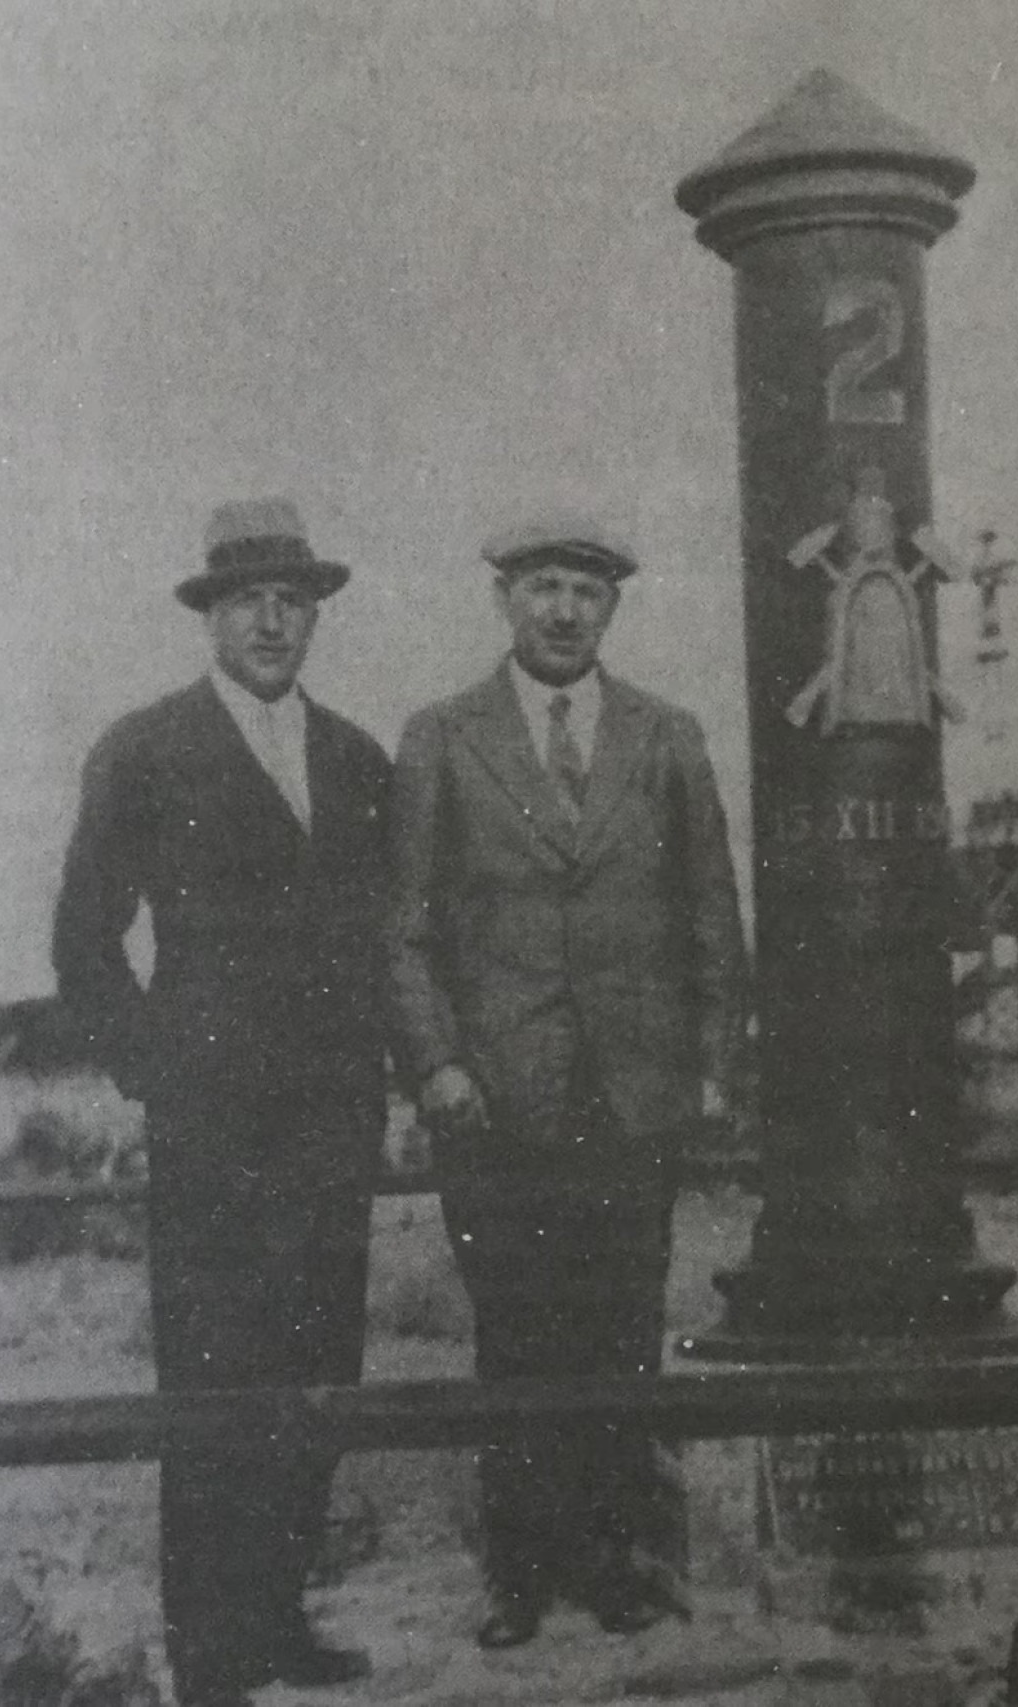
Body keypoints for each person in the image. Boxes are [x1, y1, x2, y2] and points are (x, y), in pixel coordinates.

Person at [53, 498, 390, 1707]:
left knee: (315, 1372)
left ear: (315, 616)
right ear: (211, 615)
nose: (270, 620)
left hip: (331, 1132)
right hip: (208, 1136)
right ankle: (208, 1651)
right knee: (210, 1381)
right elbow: (85, 945)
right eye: (246, 599)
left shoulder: (356, 759)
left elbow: (386, 939)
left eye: (291, 600)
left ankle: (277, 1615)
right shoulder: (144, 749)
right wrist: (158, 1072)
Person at [387, 513, 746, 1648]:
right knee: (516, 1337)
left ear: (612, 609)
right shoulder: (442, 737)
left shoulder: (666, 737)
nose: (560, 611)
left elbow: (710, 918)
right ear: (503, 599)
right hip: (494, 1103)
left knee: (620, 1332)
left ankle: (621, 1567)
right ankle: (520, 1578)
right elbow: (401, 933)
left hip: (630, 1098)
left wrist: (709, 1069)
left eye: (583, 593)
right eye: (540, 587)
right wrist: (438, 1061)